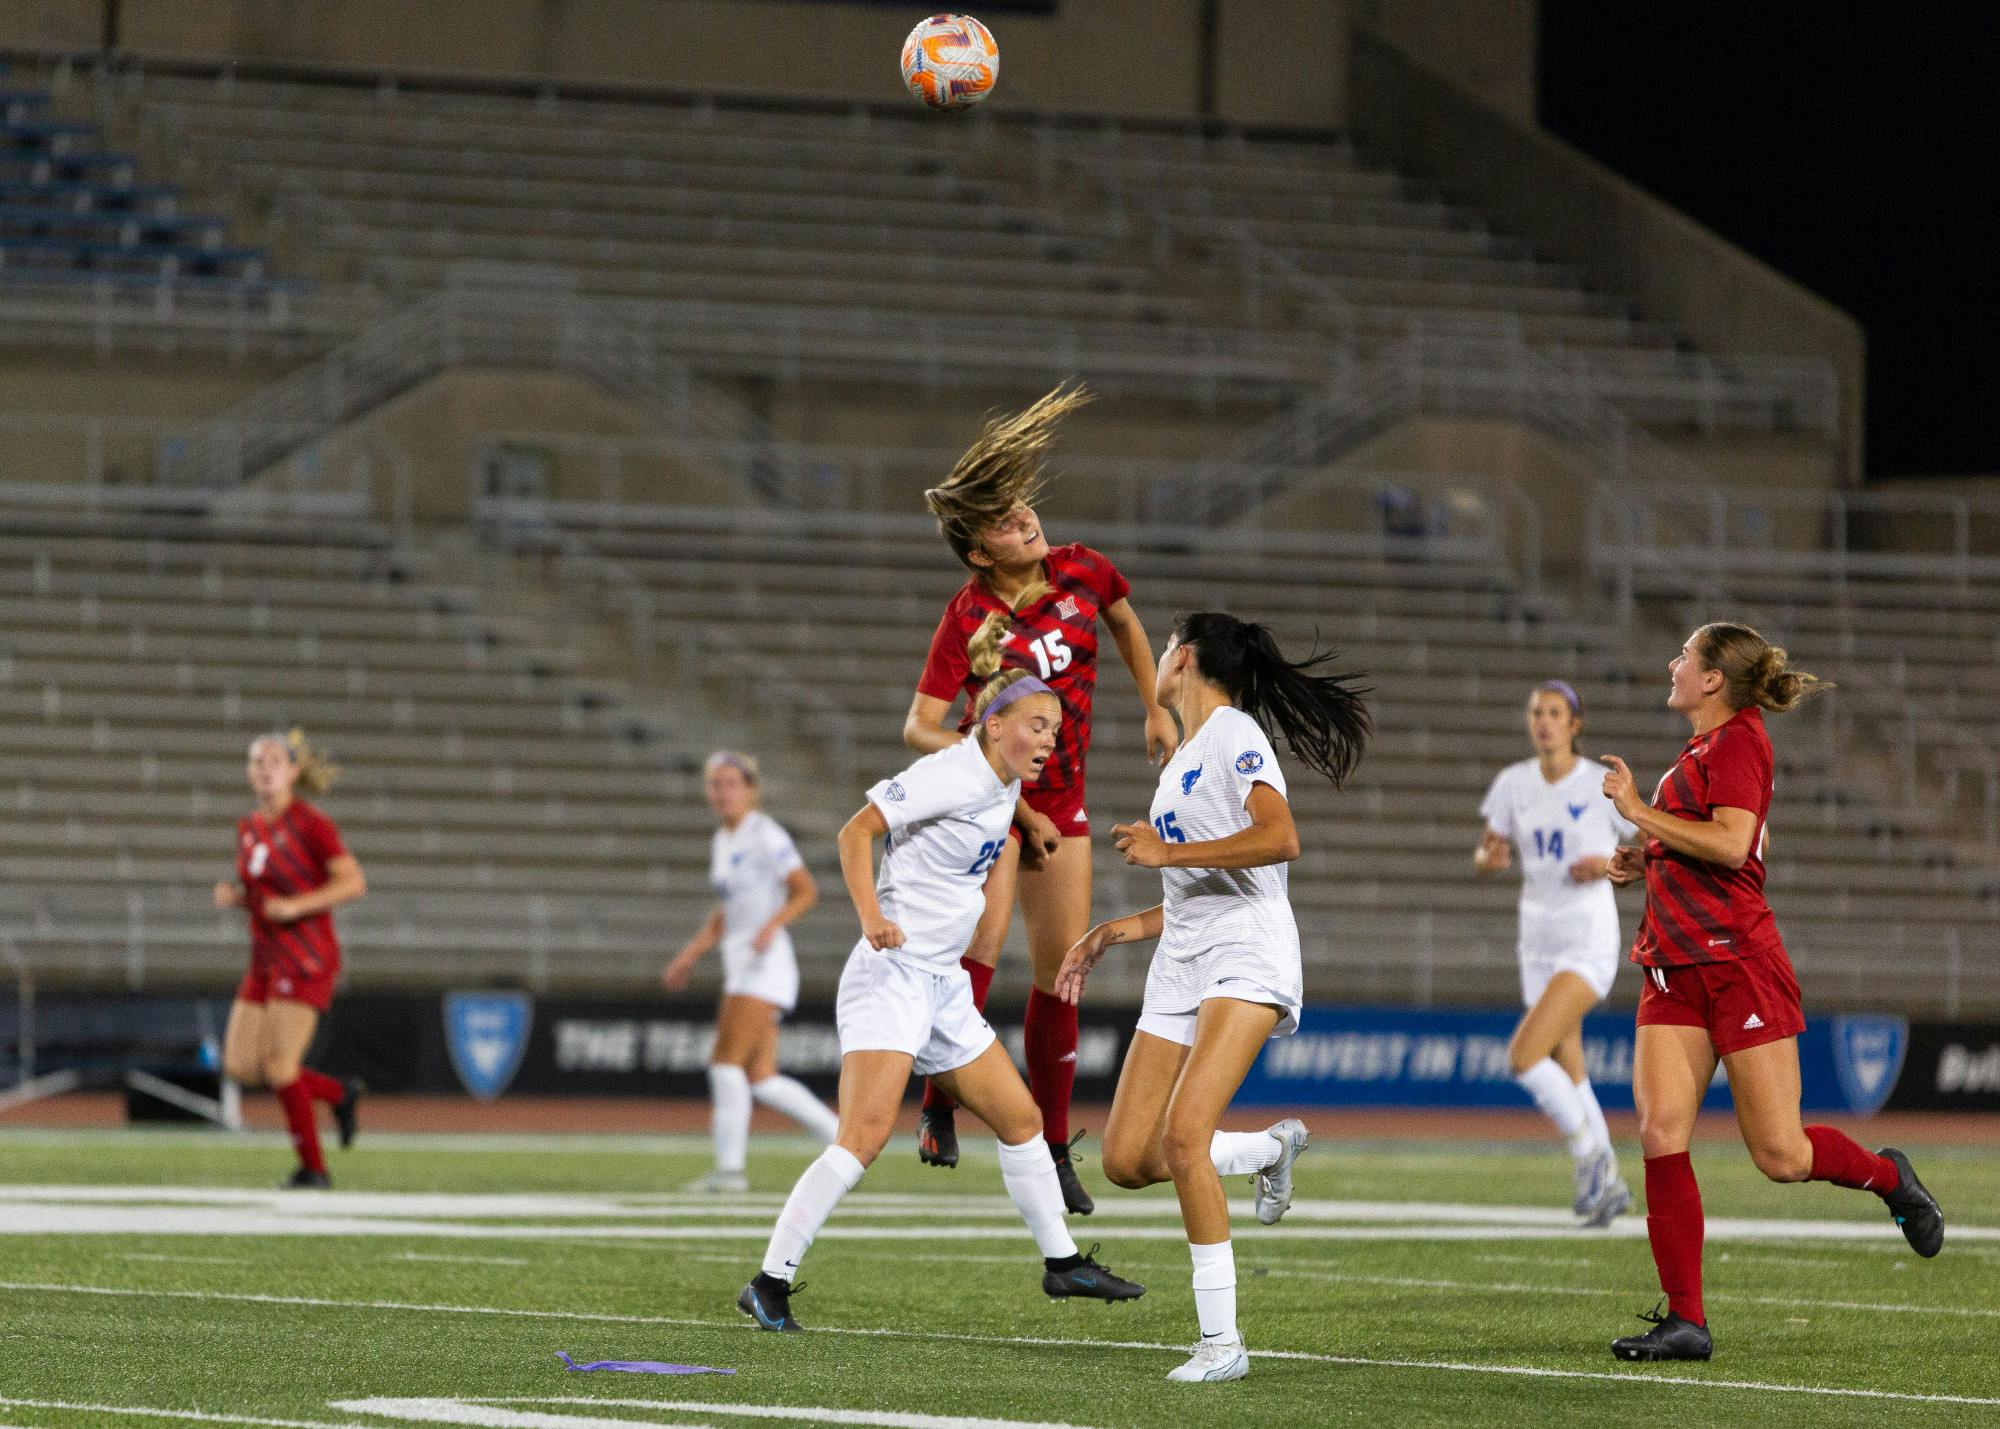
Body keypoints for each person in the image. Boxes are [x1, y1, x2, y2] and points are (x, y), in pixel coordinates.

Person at [739, 670, 1144, 1332]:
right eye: (1037, 726)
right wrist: (871, 913)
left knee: (1021, 1119)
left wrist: (1031, 818)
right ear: (993, 724)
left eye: (1056, 730)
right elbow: (854, 832)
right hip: (892, 973)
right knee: (864, 1136)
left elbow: (996, 800)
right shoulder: (946, 774)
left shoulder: (1002, 780)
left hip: (942, 984)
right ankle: (769, 1280)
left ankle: (1063, 1262)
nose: (1050, 741)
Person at [1600, 622, 1944, 1363]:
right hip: (1671, 968)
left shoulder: (1740, 742)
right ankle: (1686, 1321)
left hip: (1736, 966)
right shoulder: (1702, 748)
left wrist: (1639, 814)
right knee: (1661, 1134)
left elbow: (1730, 842)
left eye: (1684, 656)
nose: (1673, 663)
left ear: (1715, 678)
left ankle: (1891, 1177)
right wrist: (1648, 855)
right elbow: (1705, 841)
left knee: (1781, 1154)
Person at [1056, 612, 1370, 1383]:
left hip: (1246, 950)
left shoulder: (1234, 732)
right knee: (1129, 1157)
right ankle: (1268, 1148)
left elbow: (1280, 837)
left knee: (1187, 1134)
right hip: (1182, 958)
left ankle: (1222, 1343)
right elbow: (1193, 890)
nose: (1159, 657)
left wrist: (1169, 850)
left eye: (1166, 646)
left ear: (1185, 657)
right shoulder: (1182, 758)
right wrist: (1117, 929)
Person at [905, 383, 1178, 1215]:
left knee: (1063, 973)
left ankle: (1057, 1146)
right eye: (998, 517)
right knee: (980, 949)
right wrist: (990, 772)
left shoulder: (1083, 568)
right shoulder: (970, 614)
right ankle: (940, 1100)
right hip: (990, 806)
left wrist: (1153, 701)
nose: (1021, 514)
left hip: (1063, 800)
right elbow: (921, 724)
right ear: (978, 553)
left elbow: (1128, 621)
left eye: (1019, 502)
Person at [1474, 680, 1635, 1225]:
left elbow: (1648, 848)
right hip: (1536, 940)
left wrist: (1607, 860)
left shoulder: (1599, 784)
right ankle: (1610, 1182)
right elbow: (1488, 849)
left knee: (1524, 1056)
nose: (1543, 721)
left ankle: (1589, 1155)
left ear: (1575, 725)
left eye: (1555, 712)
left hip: (1586, 938)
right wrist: (1487, 858)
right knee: (1571, 1068)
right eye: (1536, 712)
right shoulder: (1512, 784)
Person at [664, 751, 840, 1193]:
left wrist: (770, 926)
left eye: (730, 783)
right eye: (715, 784)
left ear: (750, 788)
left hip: (765, 964)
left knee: (725, 1064)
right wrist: (692, 952)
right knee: (760, 1077)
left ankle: (729, 1172)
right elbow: (727, 910)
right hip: (742, 962)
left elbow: (805, 891)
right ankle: (842, 1143)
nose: (722, 792)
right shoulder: (724, 840)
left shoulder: (765, 833)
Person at [212, 730, 367, 1188]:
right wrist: (240, 900)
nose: (265, 768)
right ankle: (338, 1093)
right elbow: (267, 894)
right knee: (240, 1065)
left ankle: (314, 1169)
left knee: (280, 1067)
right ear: (248, 771)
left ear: (293, 771)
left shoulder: (311, 824)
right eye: (258, 761)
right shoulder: (248, 828)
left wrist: (297, 907)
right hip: (264, 959)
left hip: (306, 958)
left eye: (275, 761)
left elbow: (353, 883)